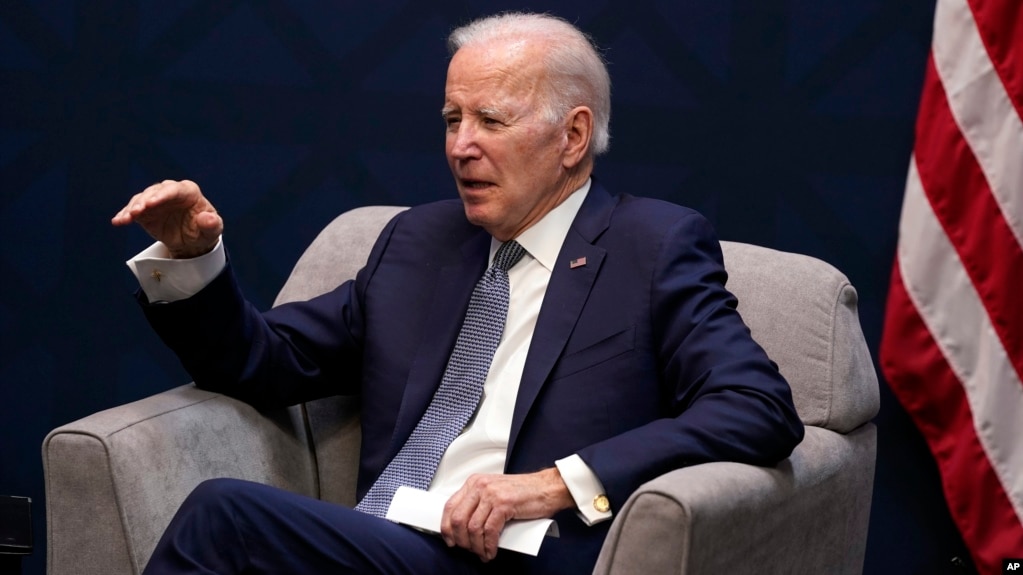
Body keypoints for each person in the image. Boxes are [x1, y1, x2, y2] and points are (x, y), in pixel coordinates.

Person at [112, 12, 803, 575]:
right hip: (385, 540)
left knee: (225, 515)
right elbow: (265, 362)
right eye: (451, 119)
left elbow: (756, 406)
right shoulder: (419, 241)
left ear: (573, 135)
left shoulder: (652, 246)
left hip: (517, 554)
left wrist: (552, 484)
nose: (460, 146)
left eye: (491, 122)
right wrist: (194, 258)